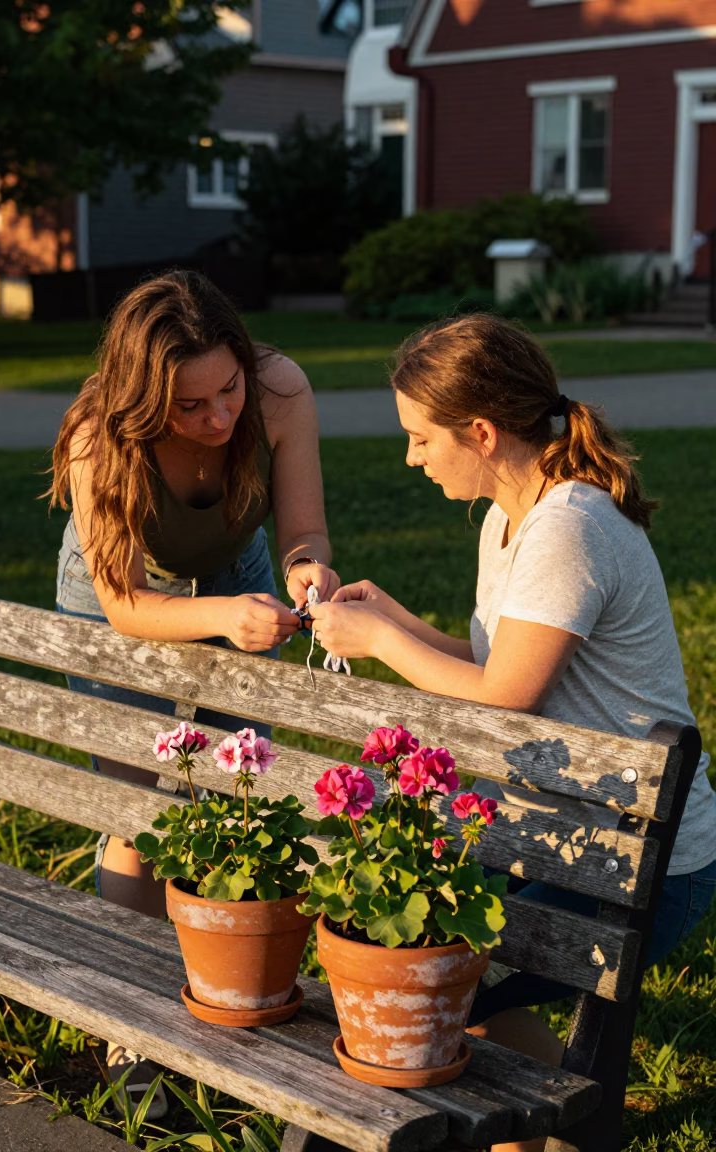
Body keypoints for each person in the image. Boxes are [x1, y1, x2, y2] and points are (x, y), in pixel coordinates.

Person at [308, 313, 716, 1152]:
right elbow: (502, 658)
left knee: (427, 983)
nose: (412, 457)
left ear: (483, 432)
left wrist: (383, 643)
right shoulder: (508, 514)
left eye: (422, 438)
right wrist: (399, 621)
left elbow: (505, 698)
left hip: (642, 862)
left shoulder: (568, 527)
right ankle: (546, 1132)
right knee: (443, 974)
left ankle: (554, 1130)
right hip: (574, 835)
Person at [49, 270, 338, 1114]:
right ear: (143, 400)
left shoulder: (281, 391)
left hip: (238, 576)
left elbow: (304, 530)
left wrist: (307, 571)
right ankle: (133, 1025)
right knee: (139, 815)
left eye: (228, 391)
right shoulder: (98, 438)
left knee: (235, 798)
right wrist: (217, 617)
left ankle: (229, 1004)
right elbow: (126, 603)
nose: (218, 420)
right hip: (118, 601)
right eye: (189, 407)